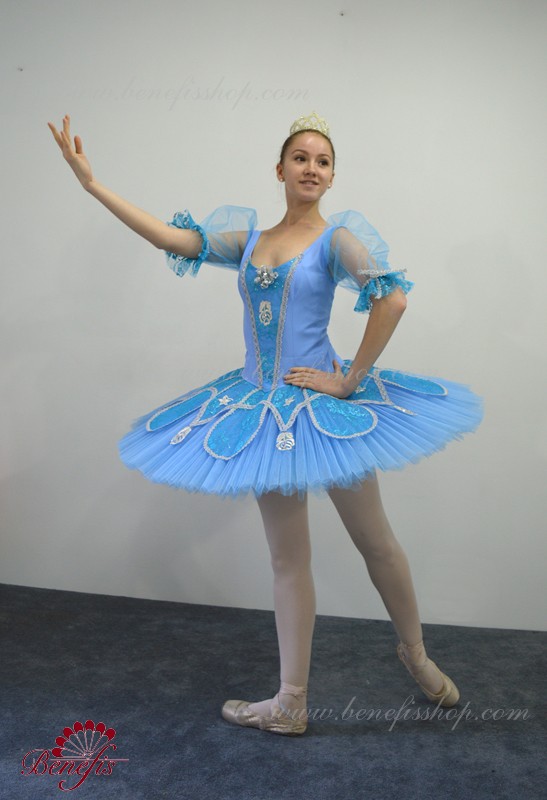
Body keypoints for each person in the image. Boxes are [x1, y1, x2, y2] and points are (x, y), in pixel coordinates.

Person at [48, 111, 483, 736]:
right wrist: (93, 185)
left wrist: (348, 380)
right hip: (259, 412)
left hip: (324, 410)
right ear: (279, 169)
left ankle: (416, 656)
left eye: (323, 161)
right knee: (287, 559)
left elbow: (393, 299)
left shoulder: (336, 241)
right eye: (301, 158)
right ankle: (290, 702)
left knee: (376, 541)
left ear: (332, 177)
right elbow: (171, 239)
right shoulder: (248, 241)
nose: (312, 168)